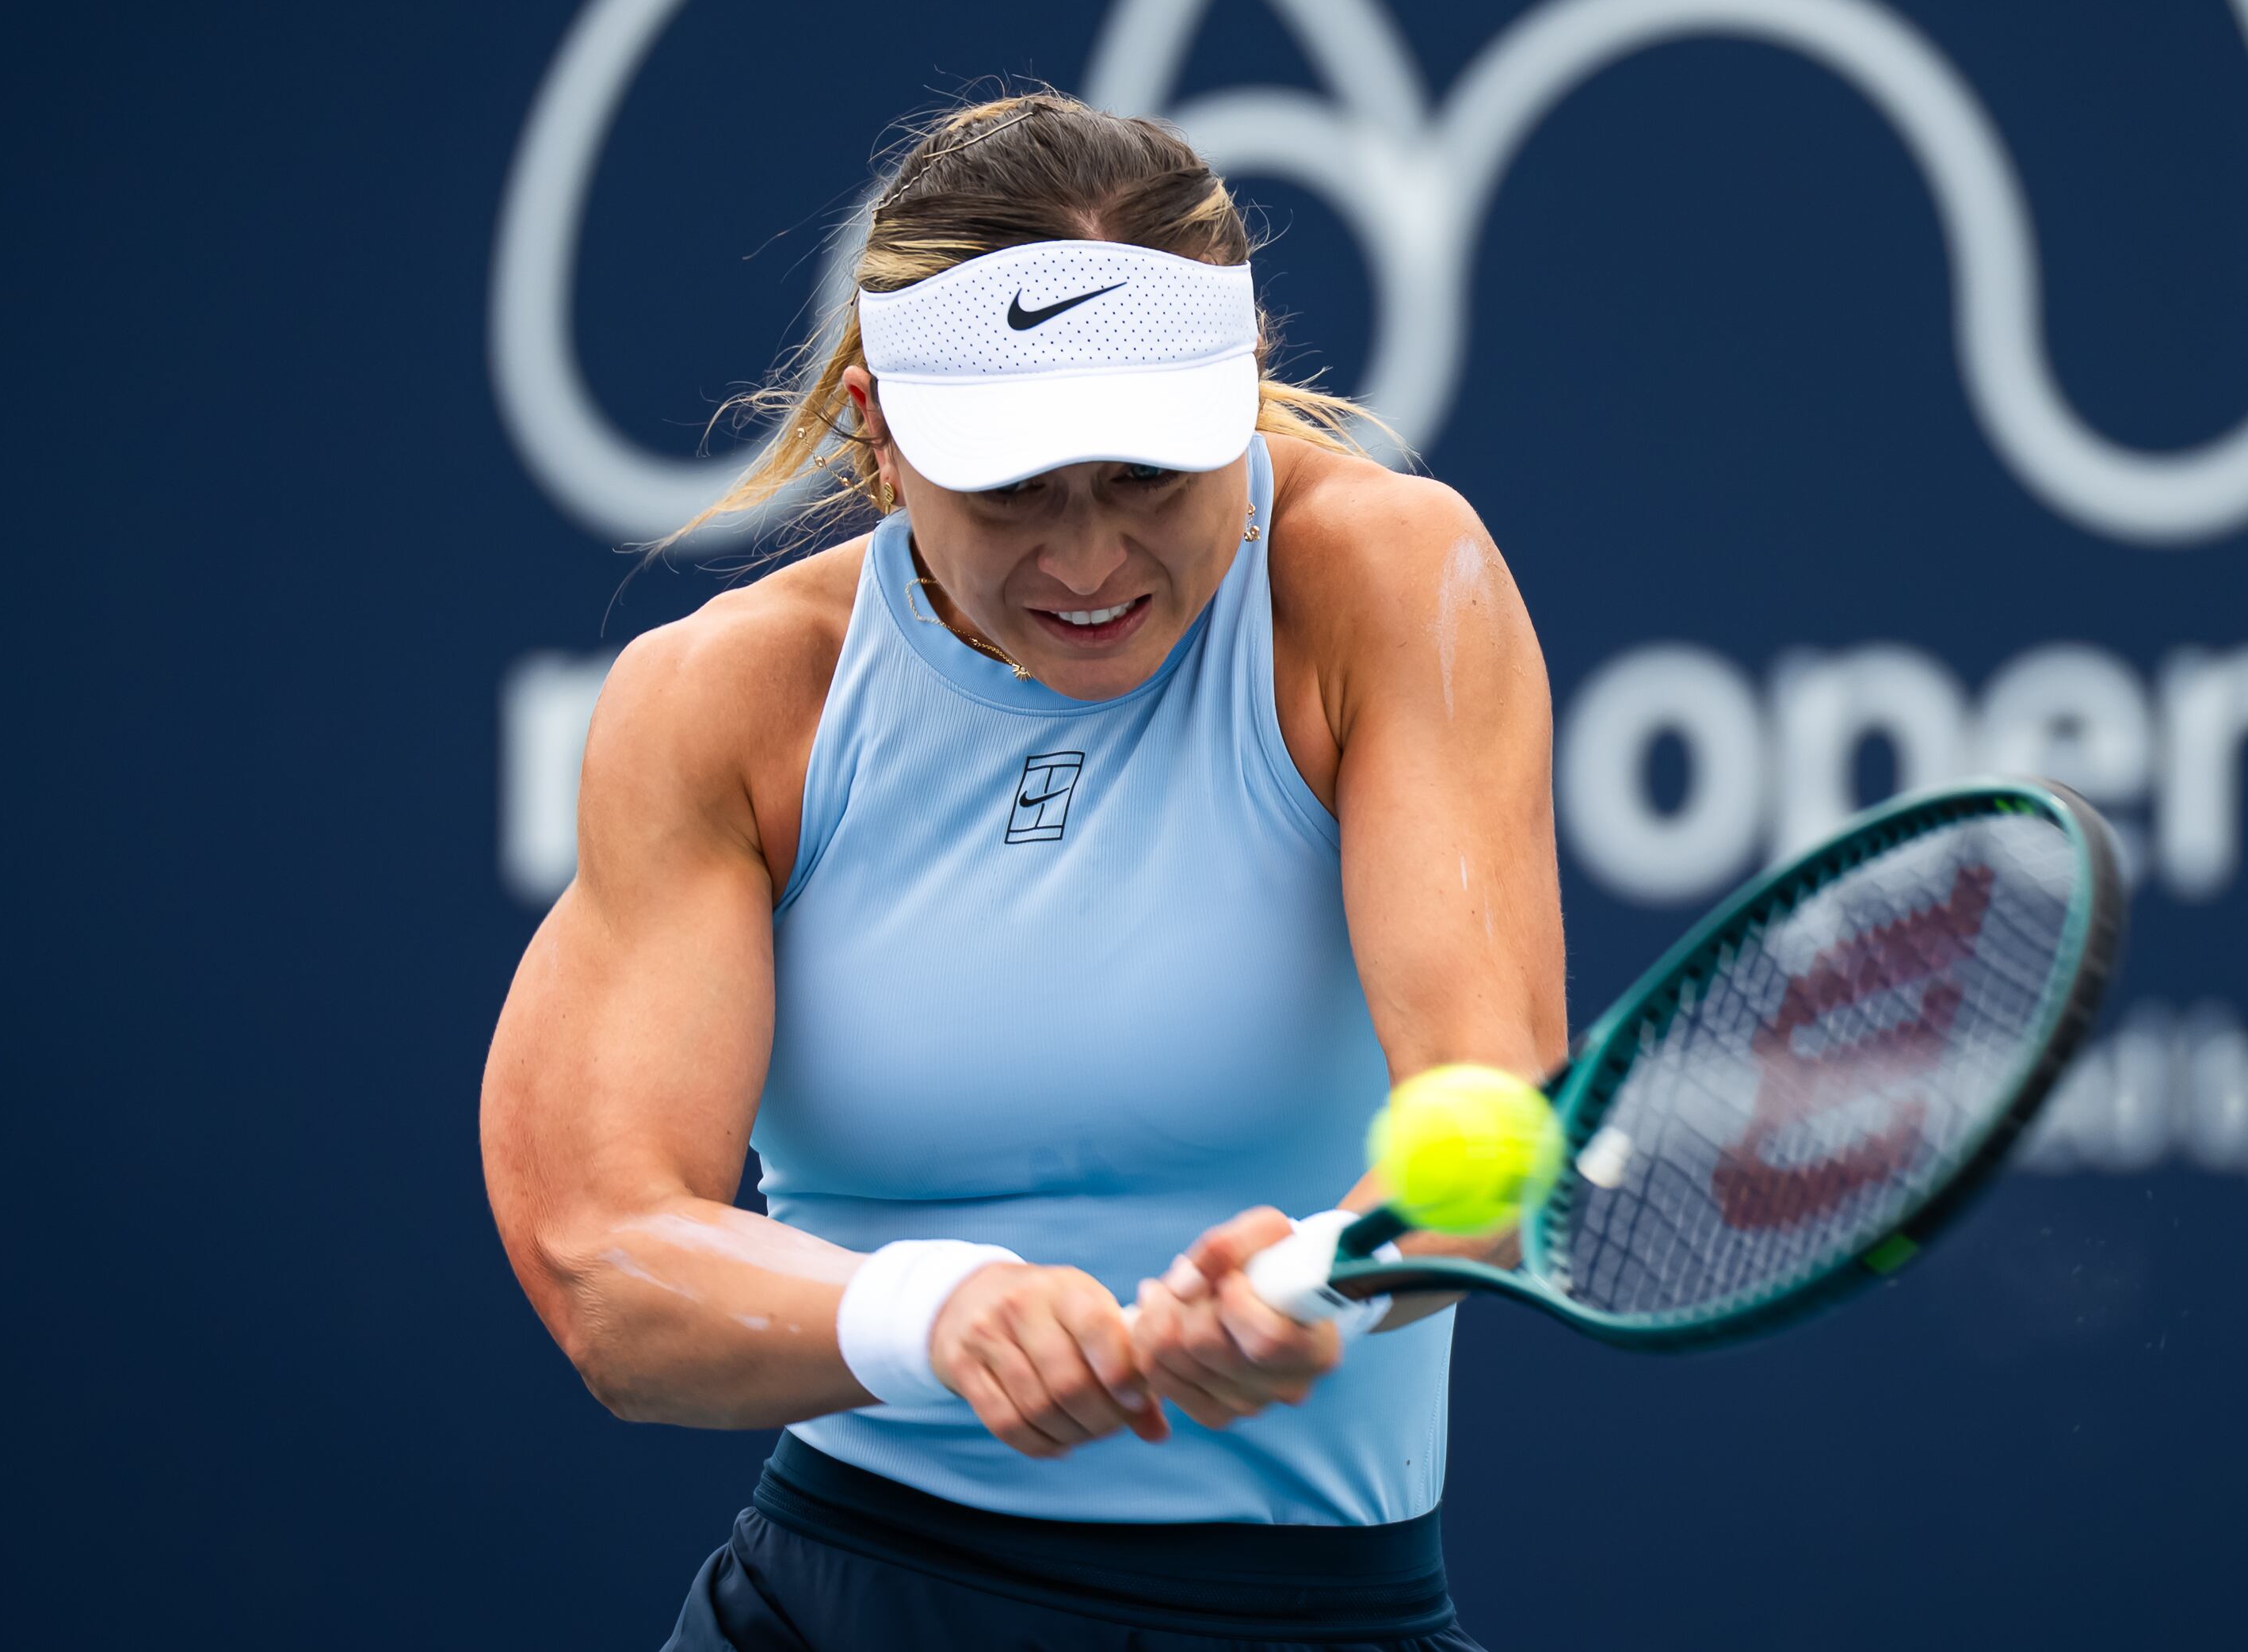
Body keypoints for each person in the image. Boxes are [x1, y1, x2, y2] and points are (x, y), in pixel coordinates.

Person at [479, 93, 1565, 1650]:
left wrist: (1325, 1274)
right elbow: (605, 1270)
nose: (1088, 560)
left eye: (1147, 477)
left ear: (1246, 381)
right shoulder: (721, 700)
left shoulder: (1386, 577)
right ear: (879, 429)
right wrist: (935, 1315)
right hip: (836, 1604)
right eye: (1011, 490)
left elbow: (1490, 1111)